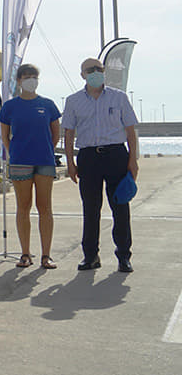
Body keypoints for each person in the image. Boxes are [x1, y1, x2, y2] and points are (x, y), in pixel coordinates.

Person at [62, 58, 140, 273]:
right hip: (89, 157)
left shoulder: (119, 97)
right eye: (90, 70)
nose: (95, 72)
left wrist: (133, 160)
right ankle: (90, 256)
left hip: (116, 155)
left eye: (99, 69)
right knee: (91, 208)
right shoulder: (73, 101)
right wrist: (70, 162)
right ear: (82, 74)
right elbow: (68, 134)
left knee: (121, 207)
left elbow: (130, 131)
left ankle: (124, 255)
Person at [0, 63, 61, 270]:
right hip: (20, 162)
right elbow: (5, 136)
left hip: (44, 161)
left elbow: (55, 134)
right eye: (26, 76)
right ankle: (25, 254)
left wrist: (46, 150)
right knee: (23, 207)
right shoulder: (10, 106)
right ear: (19, 80)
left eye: (34, 76)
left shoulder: (48, 104)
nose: (30, 80)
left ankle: (46, 255)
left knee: (45, 208)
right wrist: (15, 152)